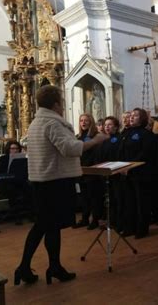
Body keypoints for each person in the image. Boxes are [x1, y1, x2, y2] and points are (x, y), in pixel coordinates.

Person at [15, 85, 107, 286]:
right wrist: (96, 140)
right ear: (56, 104)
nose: (63, 106)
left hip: (43, 181)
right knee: (46, 226)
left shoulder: (36, 122)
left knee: (47, 226)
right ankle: (32, 267)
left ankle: (46, 267)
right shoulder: (52, 123)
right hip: (54, 182)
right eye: (62, 102)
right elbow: (70, 148)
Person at [119, 108, 158, 239]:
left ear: (142, 119)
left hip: (141, 173)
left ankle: (142, 228)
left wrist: (130, 166)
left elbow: (145, 153)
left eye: (135, 115)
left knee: (142, 202)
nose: (131, 117)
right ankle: (130, 227)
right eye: (131, 115)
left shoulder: (146, 134)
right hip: (126, 173)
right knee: (129, 201)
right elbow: (122, 152)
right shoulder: (126, 133)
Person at [73, 113, 103, 231]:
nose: (83, 123)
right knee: (84, 197)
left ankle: (95, 219)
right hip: (81, 170)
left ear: (91, 122)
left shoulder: (96, 136)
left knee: (93, 196)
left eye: (86, 120)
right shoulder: (78, 137)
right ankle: (85, 218)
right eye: (81, 121)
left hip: (92, 169)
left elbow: (97, 154)